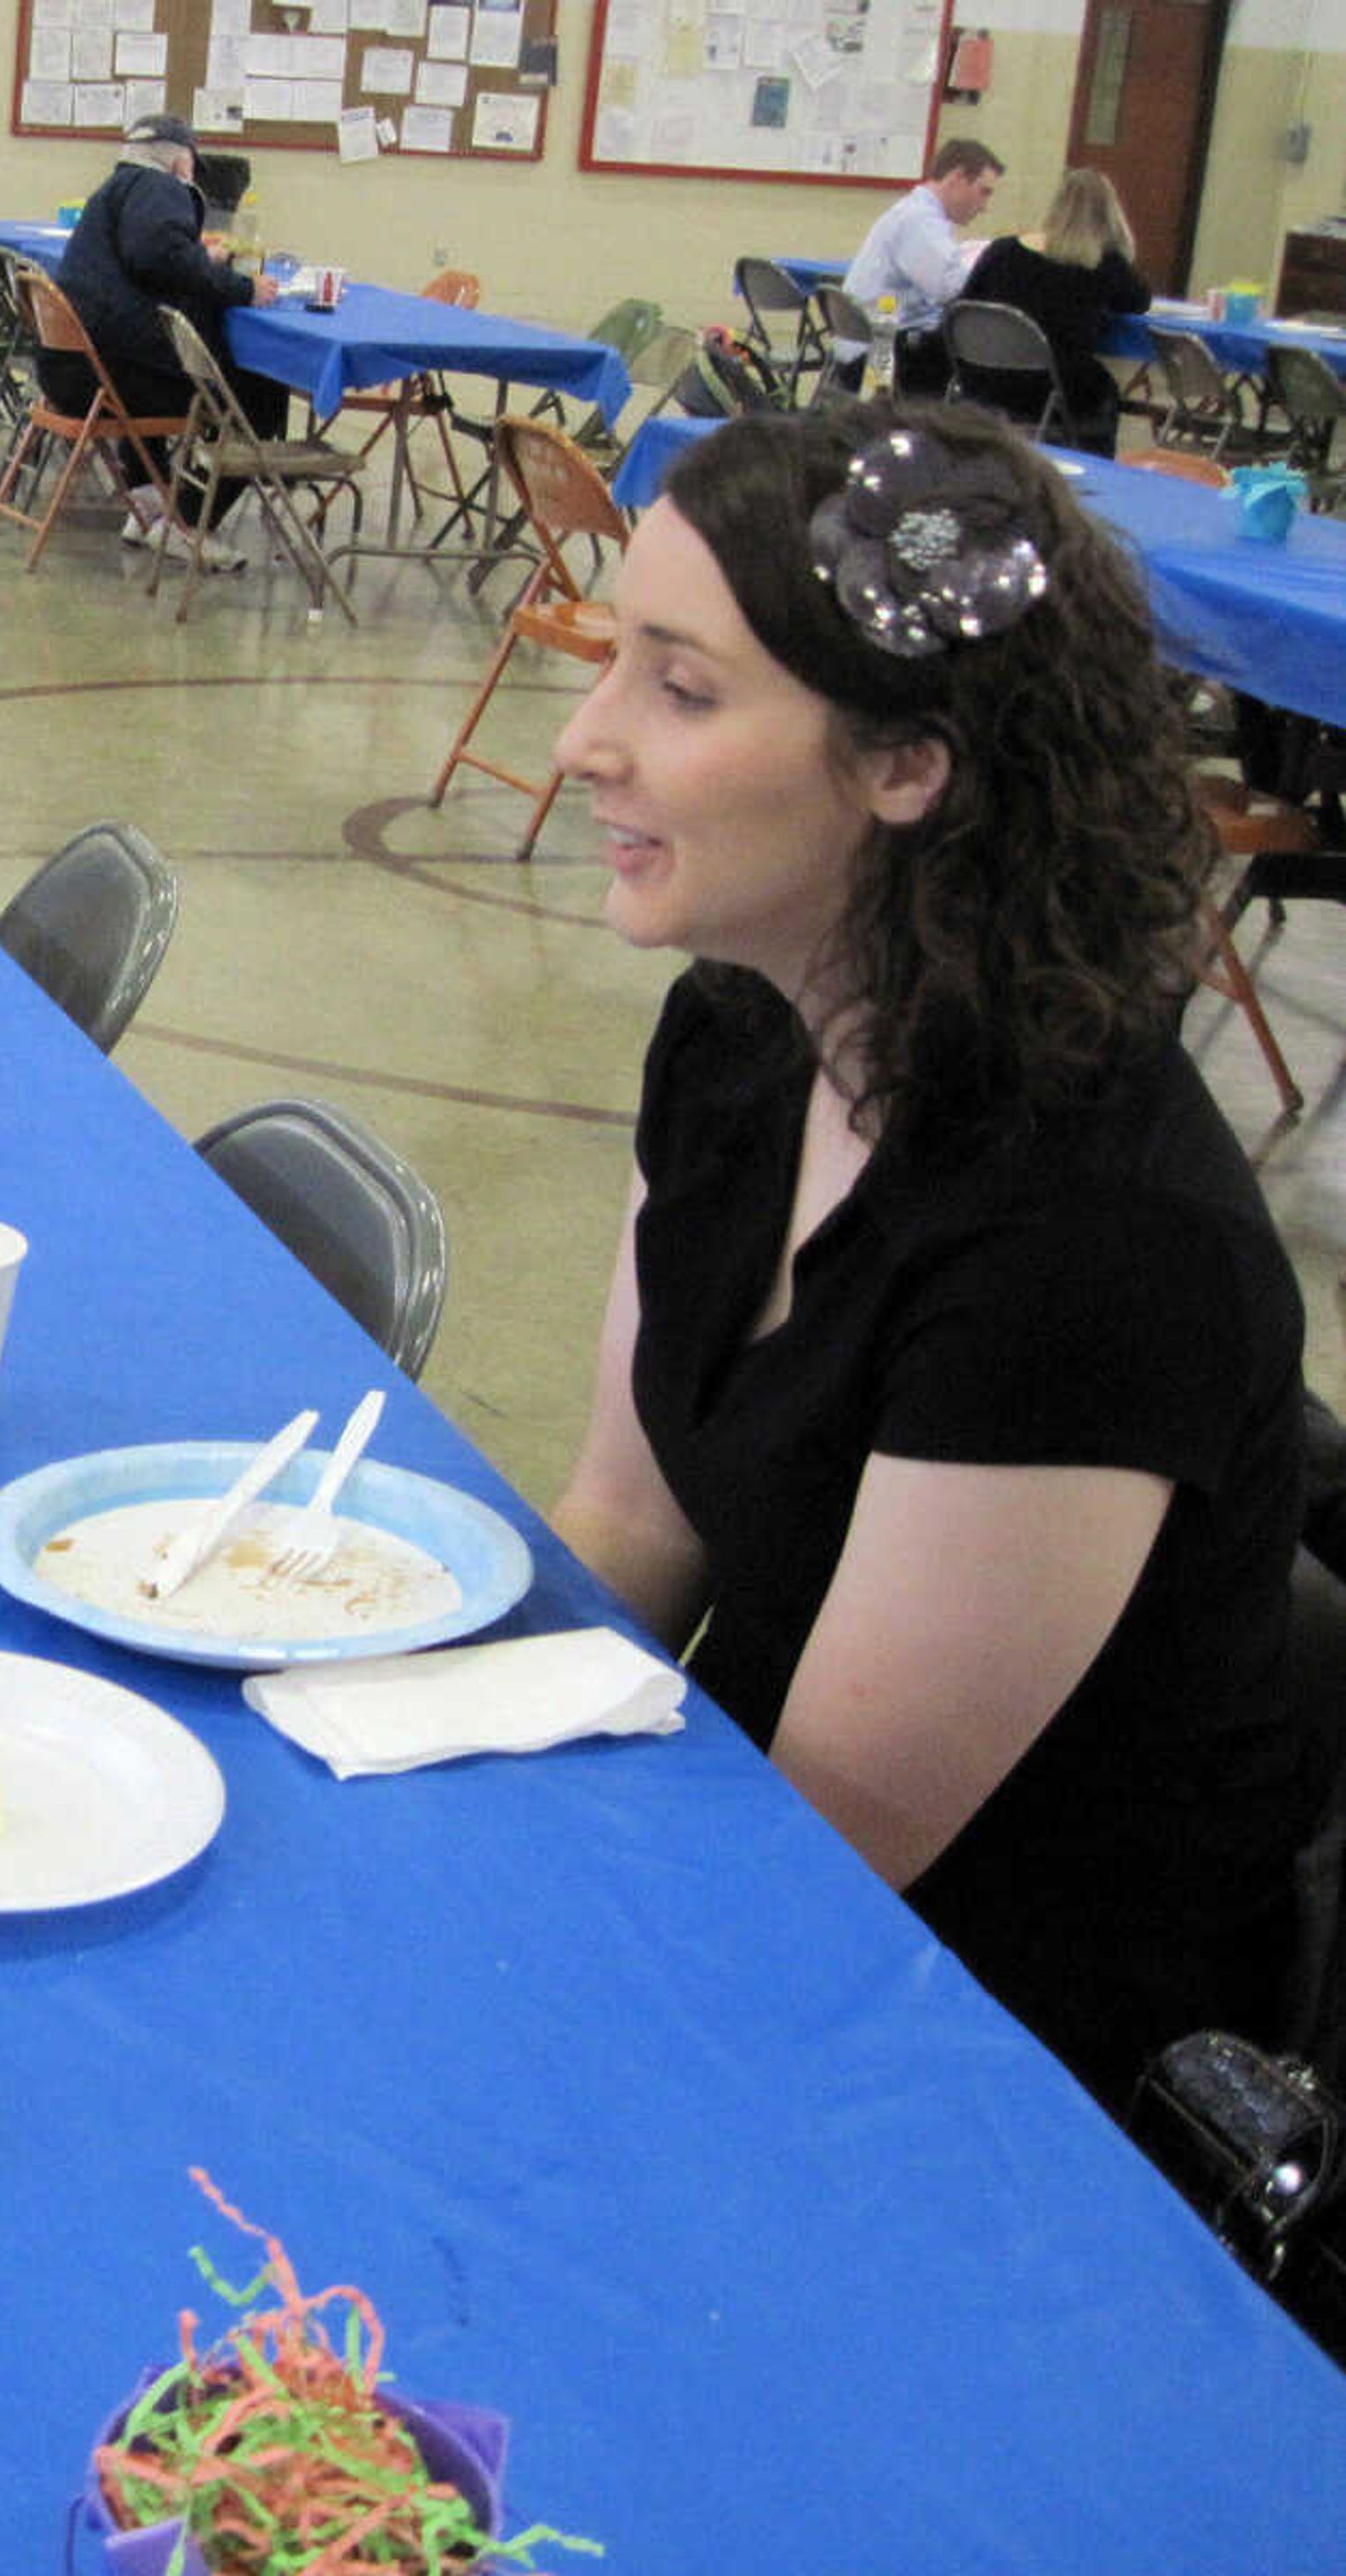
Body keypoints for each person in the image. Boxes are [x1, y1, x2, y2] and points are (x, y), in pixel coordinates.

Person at [545, 402, 1323, 2109]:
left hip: (996, 2055)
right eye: (613, 663)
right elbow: (633, 1520)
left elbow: (830, 1859)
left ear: (909, 765)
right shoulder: (743, 1039)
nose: (584, 741)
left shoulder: (1090, 1246)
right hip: (753, 1846)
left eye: (677, 689)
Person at [42, 110, 286, 571]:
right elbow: (159, 258)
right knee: (256, 388)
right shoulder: (160, 188)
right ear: (180, 163)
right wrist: (241, 287)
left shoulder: (116, 190)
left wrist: (196, 256)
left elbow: (151, 255)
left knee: (163, 358)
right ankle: (188, 523)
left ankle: (148, 504)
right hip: (110, 378)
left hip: (74, 374)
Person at [957, 166, 1152, 456]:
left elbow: (963, 305)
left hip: (981, 380)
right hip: (1052, 387)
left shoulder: (1002, 250)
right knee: (1103, 388)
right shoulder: (1103, 263)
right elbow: (1138, 301)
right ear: (1109, 217)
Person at [835, 134, 1002, 395]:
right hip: (876, 361)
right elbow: (953, 290)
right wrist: (991, 267)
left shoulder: (913, 213)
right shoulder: (919, 222)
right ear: (957, 177)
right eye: (984, 192)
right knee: (987, 368)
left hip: (870, 346)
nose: (985, 207)